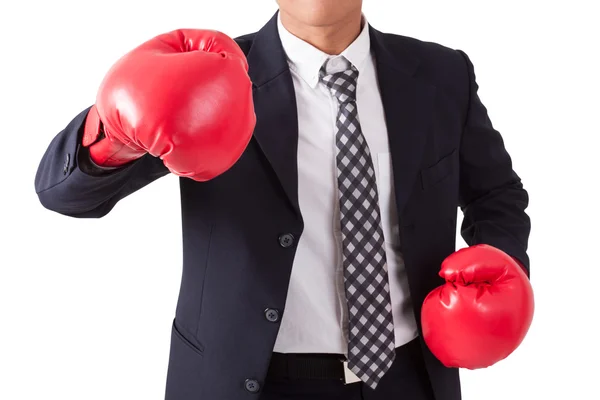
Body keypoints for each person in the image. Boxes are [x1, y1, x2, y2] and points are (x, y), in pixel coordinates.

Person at [34, 1, 534, 399]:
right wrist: (112, 135)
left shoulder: (441, 74)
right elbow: (62, 194)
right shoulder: (211, 76)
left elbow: (497, 194)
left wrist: (502, 265)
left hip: (409, 378)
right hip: (251, 383)